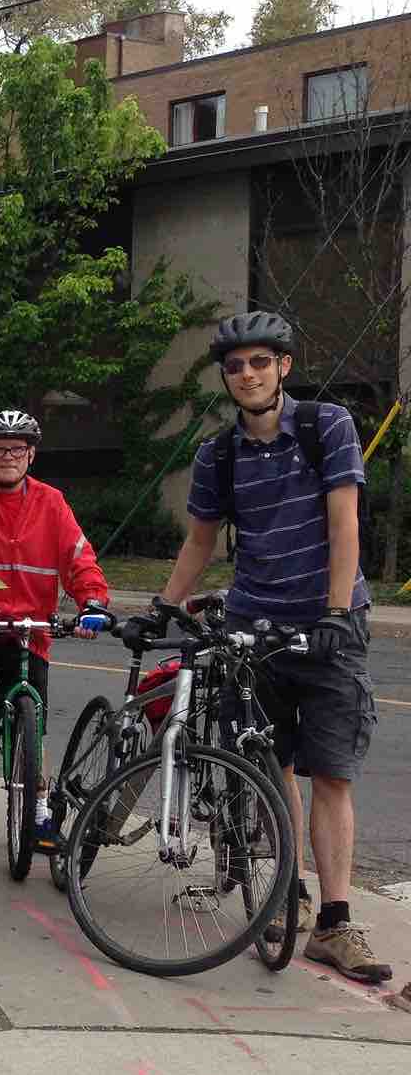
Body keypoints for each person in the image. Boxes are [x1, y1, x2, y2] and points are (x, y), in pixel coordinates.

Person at [131, 310, 385, 984]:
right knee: (270, 771)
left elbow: (344, 521)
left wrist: (335, 611)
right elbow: (200, 539)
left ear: (284, 368)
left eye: (260, 362)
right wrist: (161, 607)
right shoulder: (218, 454)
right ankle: (284, 896)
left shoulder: (325, 426)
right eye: (236, 365)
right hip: (254, 627)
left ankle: (335, 921)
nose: (247, 374)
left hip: (329, 625)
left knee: (331, 772)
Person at [0, 409, 110, 846]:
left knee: (31, 722)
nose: (8, 456)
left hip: (30, 632)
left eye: (17, 449)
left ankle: (37, 809)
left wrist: (92, 602)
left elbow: (78, 558)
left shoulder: (51, 502)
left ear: (31, 455)